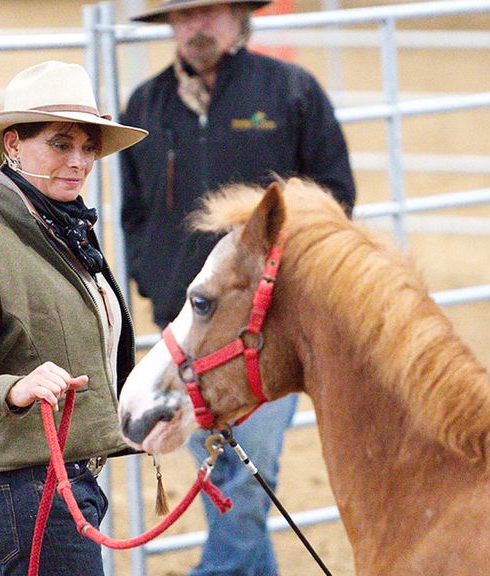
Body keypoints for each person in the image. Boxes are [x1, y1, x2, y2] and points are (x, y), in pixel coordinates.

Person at [119, 1, 355, 574]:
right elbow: (135, 212)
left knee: (242, 471)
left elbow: (334, 196)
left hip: (264, 326)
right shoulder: (146, 106)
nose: (195, 26)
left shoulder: (291, 92)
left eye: (209, 12)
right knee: (229, 469)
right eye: (183, 15)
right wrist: (154, 281)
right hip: (186, 321)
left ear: (238, 18)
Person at [0, 60, 147, 576]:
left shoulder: (66, 236)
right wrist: (13, 390)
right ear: (13, 145)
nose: (80, 161)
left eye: (89, 147)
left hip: (64, 479)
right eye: (61, 143)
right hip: (21, 483)